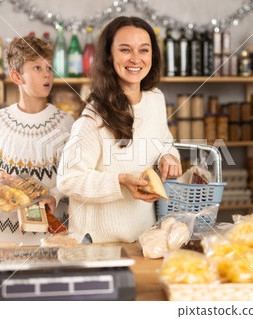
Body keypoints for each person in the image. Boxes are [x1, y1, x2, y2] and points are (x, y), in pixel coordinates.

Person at [57, 16, 182, 243]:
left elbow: (164, 141)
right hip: (97, 243)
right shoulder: (94, 115)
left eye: (144, 50)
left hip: (143, 237)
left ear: (153, 55)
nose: (136, 59)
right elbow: (67, 179)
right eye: (125, 50)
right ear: (108, 56)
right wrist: (121, 182)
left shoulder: (155, 99)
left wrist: (169, 155)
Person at [0, 36, 74, 244]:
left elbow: (72, 173)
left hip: (49, 233)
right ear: (16, 77)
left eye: (50, 67)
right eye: (37, 68)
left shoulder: (66, 123)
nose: (47, 74)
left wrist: (54, 195)